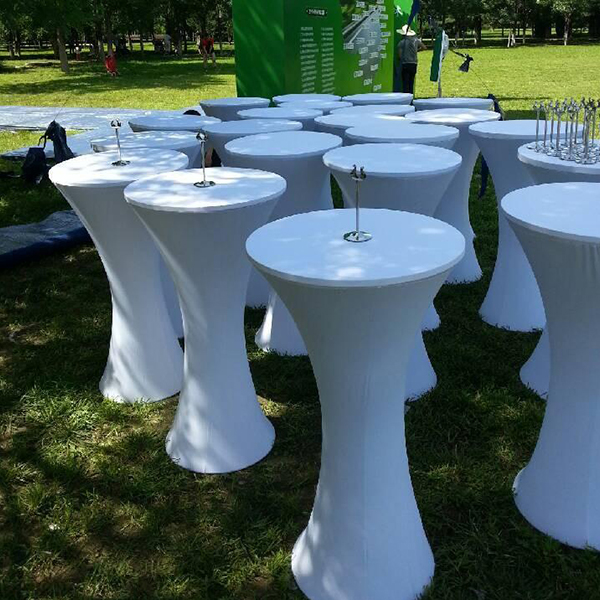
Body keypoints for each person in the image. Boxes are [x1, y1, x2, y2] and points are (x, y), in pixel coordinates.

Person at [397, 25, 426, 96]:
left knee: (405, 83)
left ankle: (405, 97)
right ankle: (411, 96)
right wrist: (416, 51)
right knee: (411, 82)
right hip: (414, 64)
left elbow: (400, 56)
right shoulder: (416, 40)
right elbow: (424, 47)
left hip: (405, 64)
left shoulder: (402, 42)